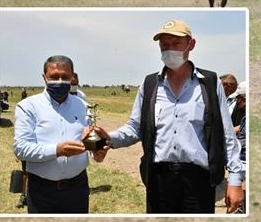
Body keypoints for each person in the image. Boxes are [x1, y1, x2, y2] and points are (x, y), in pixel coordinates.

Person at [97, 19, 243, 214]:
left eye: (176, 44)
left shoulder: (209, 82)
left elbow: (226, 134)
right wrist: (108, 138)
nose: (169, 50)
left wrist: (235, 180)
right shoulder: (150, 84)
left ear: (191, 45)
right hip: (159, 180)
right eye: (164, 45)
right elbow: (135, 127)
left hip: (198, 180)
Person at [13, 55, 109, 213]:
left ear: (72, 77)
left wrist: (98, 153)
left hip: (77, 189)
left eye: (65, 77)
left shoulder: (84, 107)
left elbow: (90, 142)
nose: (59, 81)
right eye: (54, 77)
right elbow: (21, 149)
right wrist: (58, 150)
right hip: (41, 192)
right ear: (44, 78)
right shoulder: (28, 107)